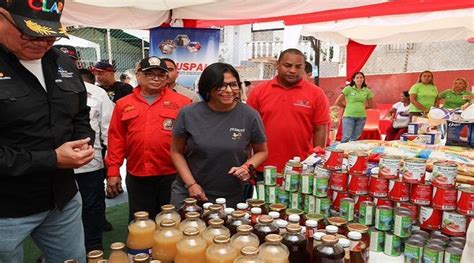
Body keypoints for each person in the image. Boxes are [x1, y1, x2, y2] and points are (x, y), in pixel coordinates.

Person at [0, 1, 95, 262]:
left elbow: (79, 113)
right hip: (6, 207)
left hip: (62, 199)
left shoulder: (61, 61)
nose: (43, 43)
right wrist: (52, 159)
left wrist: (84, 141)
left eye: (51, 35)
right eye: (31, 33)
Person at [169, 63, 268, 208]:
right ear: (208, 88)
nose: (228, 90)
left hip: (230, 194)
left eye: (233, 85)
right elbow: (176, 152)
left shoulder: (250, 115)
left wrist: (247, 167)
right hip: (190, 192)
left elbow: (262, 151)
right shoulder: (188, 113)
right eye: (220, 86)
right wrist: (191, 184)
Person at [106, 56, 191, 221]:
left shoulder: (183, 103)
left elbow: (192, 139)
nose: (156, 78)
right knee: (141, 222)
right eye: (150, 74)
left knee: (171, 221)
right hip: (138, 174)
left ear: (167, 78)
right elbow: (116, 138)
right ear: (138, 75)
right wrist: (113, 171)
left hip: (172, 174)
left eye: (161, 75)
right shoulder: (123, 104)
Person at [55, 45, 114, 251]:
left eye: (70, 60)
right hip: (53, 165)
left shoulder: (96, 93)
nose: (65, 64)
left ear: (77, 63)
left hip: (89, 164)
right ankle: (56, 251)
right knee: (57, 212)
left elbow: (108, 131)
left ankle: (92, 248)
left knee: (92, 207)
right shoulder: (40, 89)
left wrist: (112, 167)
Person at [247, 48, 330, 174]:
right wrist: (248, 163)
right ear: (277, 65)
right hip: (263, 167)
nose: (292, 70)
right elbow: (248, 130)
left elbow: (320, 129)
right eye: (287, 65)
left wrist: (316, 162)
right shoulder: (258, 92)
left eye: (298, 67)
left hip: (302, 168)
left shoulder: (316, 94)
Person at [335, 72, 375, 143]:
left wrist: (361, 108)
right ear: (353, 79)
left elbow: (371, 105)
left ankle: (351, 153)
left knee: (355, 139)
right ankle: (342, 153)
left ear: (363, 79)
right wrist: (346, 107)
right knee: (346, 137)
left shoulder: (367, 90)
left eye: (361, 77)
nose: (359, 79)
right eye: (357, 78)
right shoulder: (348, 89)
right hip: (348, 116)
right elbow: (337, 102)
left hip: (361, 117)